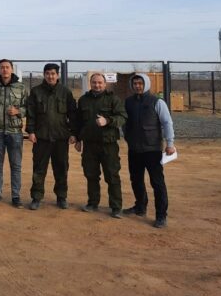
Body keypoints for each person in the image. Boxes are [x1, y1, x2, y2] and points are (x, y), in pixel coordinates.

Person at [123, 73, 176, 228]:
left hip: (152, 150)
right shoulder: (128, 102)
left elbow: (167, 122)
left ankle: (161, 215)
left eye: (140, 83)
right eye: (135, 83)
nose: (137, 86)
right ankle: (140, 206)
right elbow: (125, 123)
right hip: (134, 149)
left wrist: (170, 143)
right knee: (136, 179)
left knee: (157, 183)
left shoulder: (157, 102)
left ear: (146, 84)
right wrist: (127, 137)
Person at [74, 72, 127, 218]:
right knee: (91, 175)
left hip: (108, 145)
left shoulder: (113, 99)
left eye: (100, 83)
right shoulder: (84, 100)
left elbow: (122, 117)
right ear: (90, 84)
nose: (97, 85)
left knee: (112, 175)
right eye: (94, 82)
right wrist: (78, 140)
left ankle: (116, 207)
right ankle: (92, 203)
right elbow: (79, 122)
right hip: (90, 145)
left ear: (105, 84)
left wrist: (108, 121)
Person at [26, 63, 77, 210]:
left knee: (61, 168)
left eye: (53, 73)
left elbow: (72, 114)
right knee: (39, 169)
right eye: (47, 73)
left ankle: (61, 197)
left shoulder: (65, 92)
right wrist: (31, 131)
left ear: (58, 75)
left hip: (61, 138)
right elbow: (31, 114)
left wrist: (73, 133)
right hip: (41, 137)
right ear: (44, 75)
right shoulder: (36, 92)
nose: (50, 76)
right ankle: (36, 197)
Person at [0, 59, 28, 208]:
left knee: (16, 166)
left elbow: (29, 108)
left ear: (12, 69)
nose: (4, 70)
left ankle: (16, 196)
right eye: (2, 67)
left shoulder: (21, 87)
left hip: (15, 132)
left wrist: (19, 111)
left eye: (7, 67)